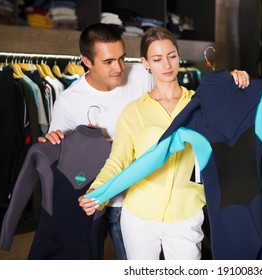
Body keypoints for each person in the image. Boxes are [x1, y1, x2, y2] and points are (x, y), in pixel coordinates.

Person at [78, 26, 250, 260]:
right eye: (157, 59)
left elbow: (234, 129)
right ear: (145, 63)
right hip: (139, 216)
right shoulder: (134, 112)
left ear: (179, 55)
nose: (167, 65)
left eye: (171, 56)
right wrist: (96, 192)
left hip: (186, 213)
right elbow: (117, 162)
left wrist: (235, 83)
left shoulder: (201, 104)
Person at [38, 23, 155, 260]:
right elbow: (59, 152)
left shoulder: (143, 76)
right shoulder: (69, 101)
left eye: (122, 58)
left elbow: (178, 95)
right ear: (87, 62)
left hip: (134, 200)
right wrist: (51, 141)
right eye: (109, 61)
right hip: (92, 200)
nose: (119, 68)